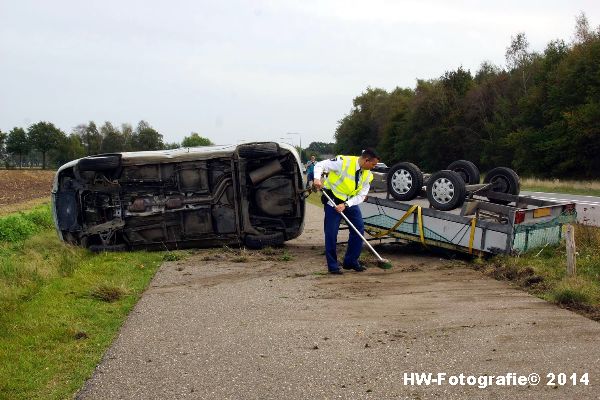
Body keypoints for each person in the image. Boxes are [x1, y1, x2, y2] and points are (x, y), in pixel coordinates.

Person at [313, 148, 380, 274]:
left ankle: (350, 261)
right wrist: (317, 179)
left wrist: (346, 204)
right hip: (332, 199)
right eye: (373, 164)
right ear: (366, 160)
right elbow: (320, 165)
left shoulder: (368, 175)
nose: (374, 167)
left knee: (358, 229)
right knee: (331, 233)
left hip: (349, 202)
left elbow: (361, 195)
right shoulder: (343, 161)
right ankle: (333, 266)